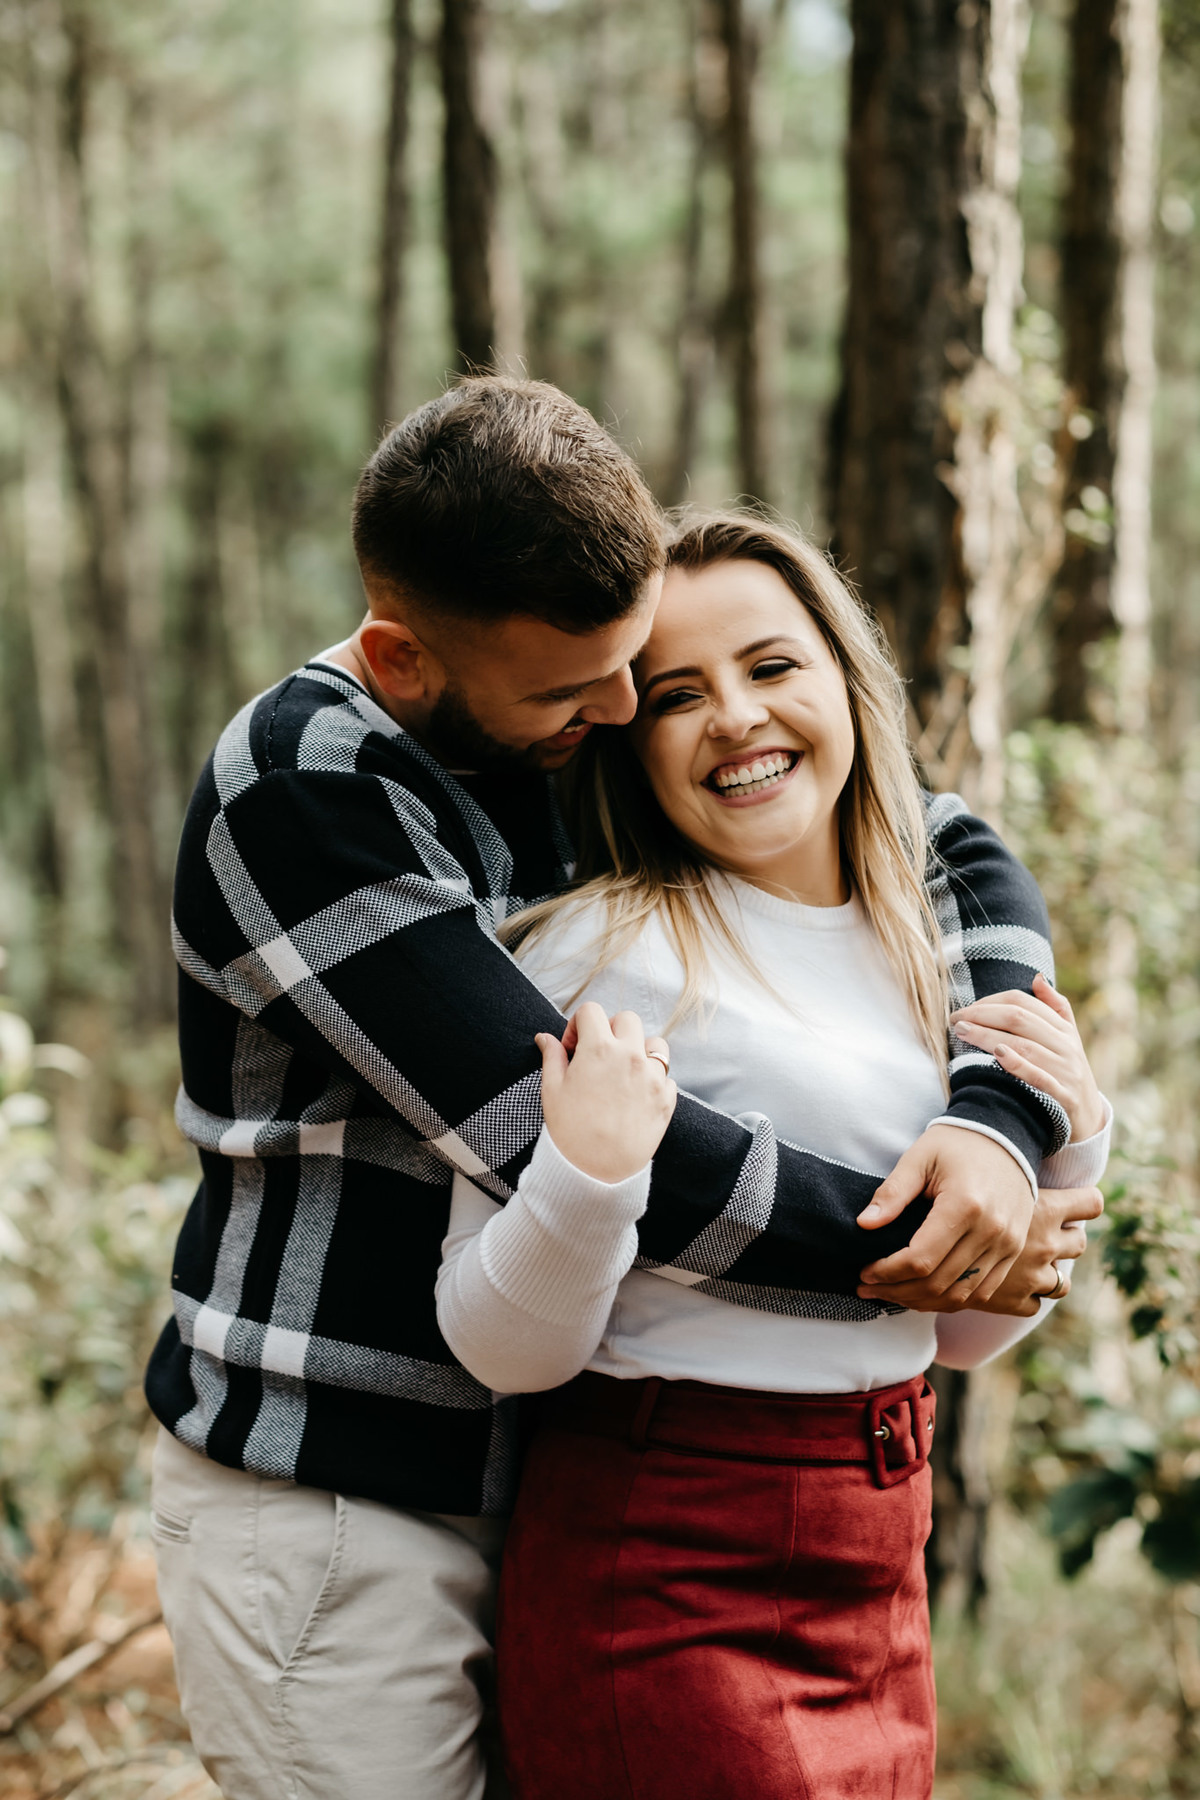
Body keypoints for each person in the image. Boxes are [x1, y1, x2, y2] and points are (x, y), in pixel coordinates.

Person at [147, 379, 1080, 1800]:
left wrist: (1000, 1124)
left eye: (635, 664)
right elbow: (566, 1136)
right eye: (582, 690)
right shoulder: (304, 792)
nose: (627, 708)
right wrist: (934, 1242)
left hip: (547, 1469)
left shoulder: (549, 715)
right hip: (342, 1488)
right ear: (402, 657)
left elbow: (935, 837)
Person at [435, 511, 1110, 1799]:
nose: (736, 718)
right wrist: (588, 1177)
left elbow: (959, 1336)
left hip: (881, 1552)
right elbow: (497, 1344)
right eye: (678, 695)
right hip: (667, 1560)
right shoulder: (599, 953)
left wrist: (1071, 1139)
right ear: (629, 741)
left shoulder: (931, 948)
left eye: (771, 665)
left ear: (846, 678)